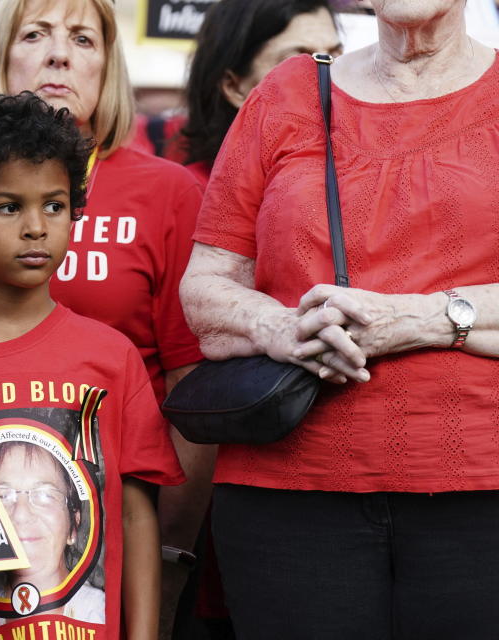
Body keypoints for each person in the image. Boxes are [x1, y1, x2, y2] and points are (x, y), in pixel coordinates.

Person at [180, 0, 499, 637]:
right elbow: (206, 284)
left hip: (482, 490)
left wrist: (419, 318)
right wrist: (281, 329)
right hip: (287, 491)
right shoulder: (285, 96)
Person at [0, 1, 207, 631]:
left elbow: (189, 391)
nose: (59, 53)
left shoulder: (171, 192)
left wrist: (168, 555)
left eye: (82, 37)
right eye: (36, 33)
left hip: (110, 546)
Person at [181, 0, 342, 186]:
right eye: (296, 62)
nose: (327, 76)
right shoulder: (189, 194)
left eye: (335, 56)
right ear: (233, 88)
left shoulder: (362, 180)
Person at [0, 441, 104, 633]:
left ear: (73, 527)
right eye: (2, 496)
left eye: (45, 495)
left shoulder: (96, 612)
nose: (21, 514)